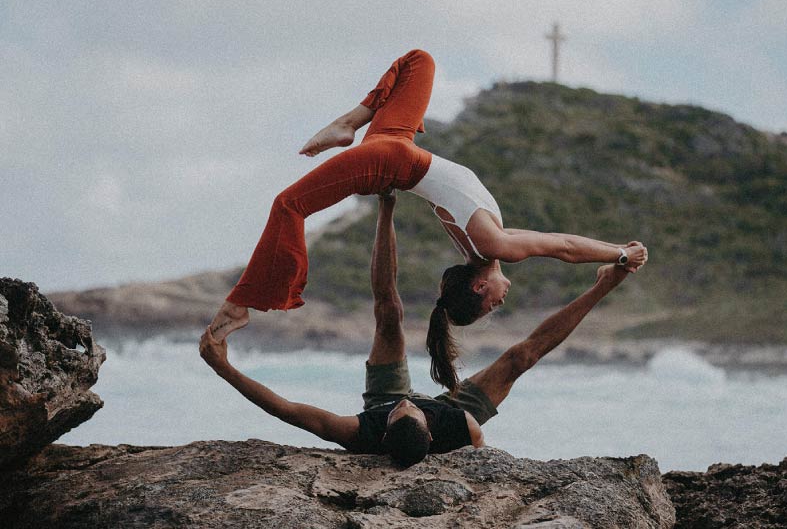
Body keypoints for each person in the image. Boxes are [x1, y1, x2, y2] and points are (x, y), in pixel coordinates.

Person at [207, 49, 647, 387]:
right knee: (420, 60)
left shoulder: (493, 247)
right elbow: (558, 241)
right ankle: (352, 121)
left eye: (494, 302)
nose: (503, 297)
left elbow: (564, 248)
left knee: (289, 206)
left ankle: (241, 304)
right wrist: (616, 254)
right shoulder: (487, 244)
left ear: (479, 286)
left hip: (391, 160)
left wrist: (621, 254)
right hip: (394, 143)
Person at [199, 191, 633, 466]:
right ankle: (603, 285)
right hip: (454, 417)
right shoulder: (462, 428)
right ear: (429, 427)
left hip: (383, 402)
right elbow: (484, 458)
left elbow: (289, 410)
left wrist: (224, 368)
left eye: (402, 410)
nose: (410, 402)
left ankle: (385, 204)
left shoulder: (361, 431)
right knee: (521, 358)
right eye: (415, 409)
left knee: (389, 312)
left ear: (387, 428)